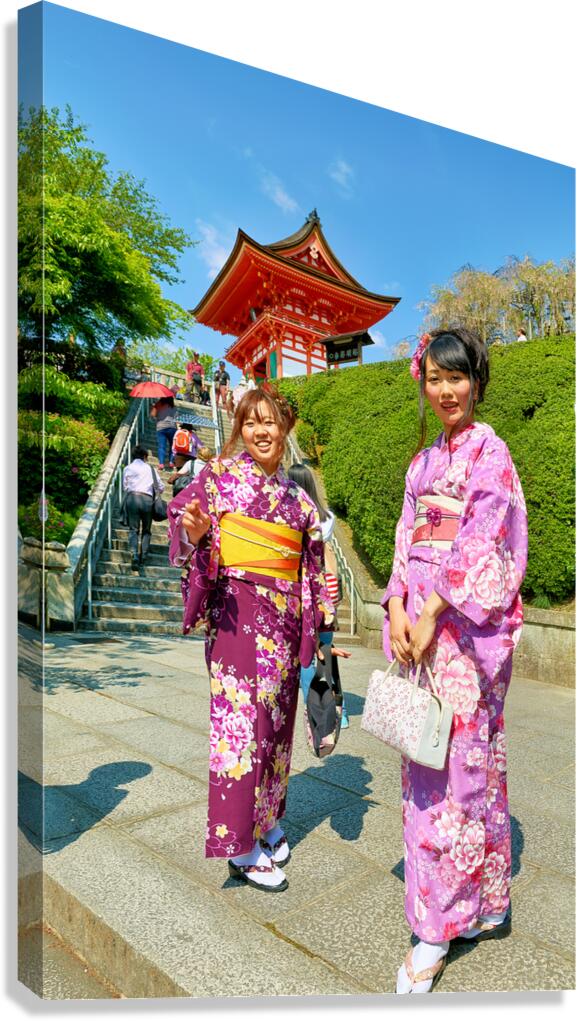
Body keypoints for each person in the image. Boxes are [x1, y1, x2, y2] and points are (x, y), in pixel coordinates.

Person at [382, 327, 528, 994]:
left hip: (462, 641)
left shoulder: (489, 455)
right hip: (417, 632)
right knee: (427, 771)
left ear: (476, 380)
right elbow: (403, 544)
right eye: (434, 379)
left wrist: (432, 612)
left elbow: (480, 548)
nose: (444, 390)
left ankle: (436, 930)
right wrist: (393, 608)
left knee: (457, 779)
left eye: (456, 377)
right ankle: (470, 907)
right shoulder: (420, 465)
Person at [167, 386, 344, 892]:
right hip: (237, 617)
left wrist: (321, 628)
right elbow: (182, 522)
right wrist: (198, 534)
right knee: (242, 727)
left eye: (270, 422)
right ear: (241, 429)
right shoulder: (220, 478)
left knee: (277, 725)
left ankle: (263, 820)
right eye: (251, 423)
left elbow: (312, 565)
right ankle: (238, 846)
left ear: (284, 428)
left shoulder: (297, 498)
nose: (261, 431)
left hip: (285, 624)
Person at [287, 463, 350, 729]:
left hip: (303, 590)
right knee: (326, 653)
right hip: (326, 594)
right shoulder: (327, 517)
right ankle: (339, 713)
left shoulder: (292, 513)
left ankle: (317, 713)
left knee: (304, 657)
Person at [122, 445, 164, 571]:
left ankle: (134, 555)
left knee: (133, 529)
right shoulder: (150, 469)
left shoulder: (128, 468)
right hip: (147, 500)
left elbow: (125, 487)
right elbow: (161, 487)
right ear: (145, 456)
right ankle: (143, 556)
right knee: (146, 530)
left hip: (132, 499)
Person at [150, 397, 177, 470]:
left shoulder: (159, 405)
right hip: (172, 427)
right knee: (172, 446)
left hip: (161, 427)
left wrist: (153, 407)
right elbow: (176, 418)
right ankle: (171, 462)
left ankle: (161, 463)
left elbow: (153, 414)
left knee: (162, 446)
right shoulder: (173, 407)